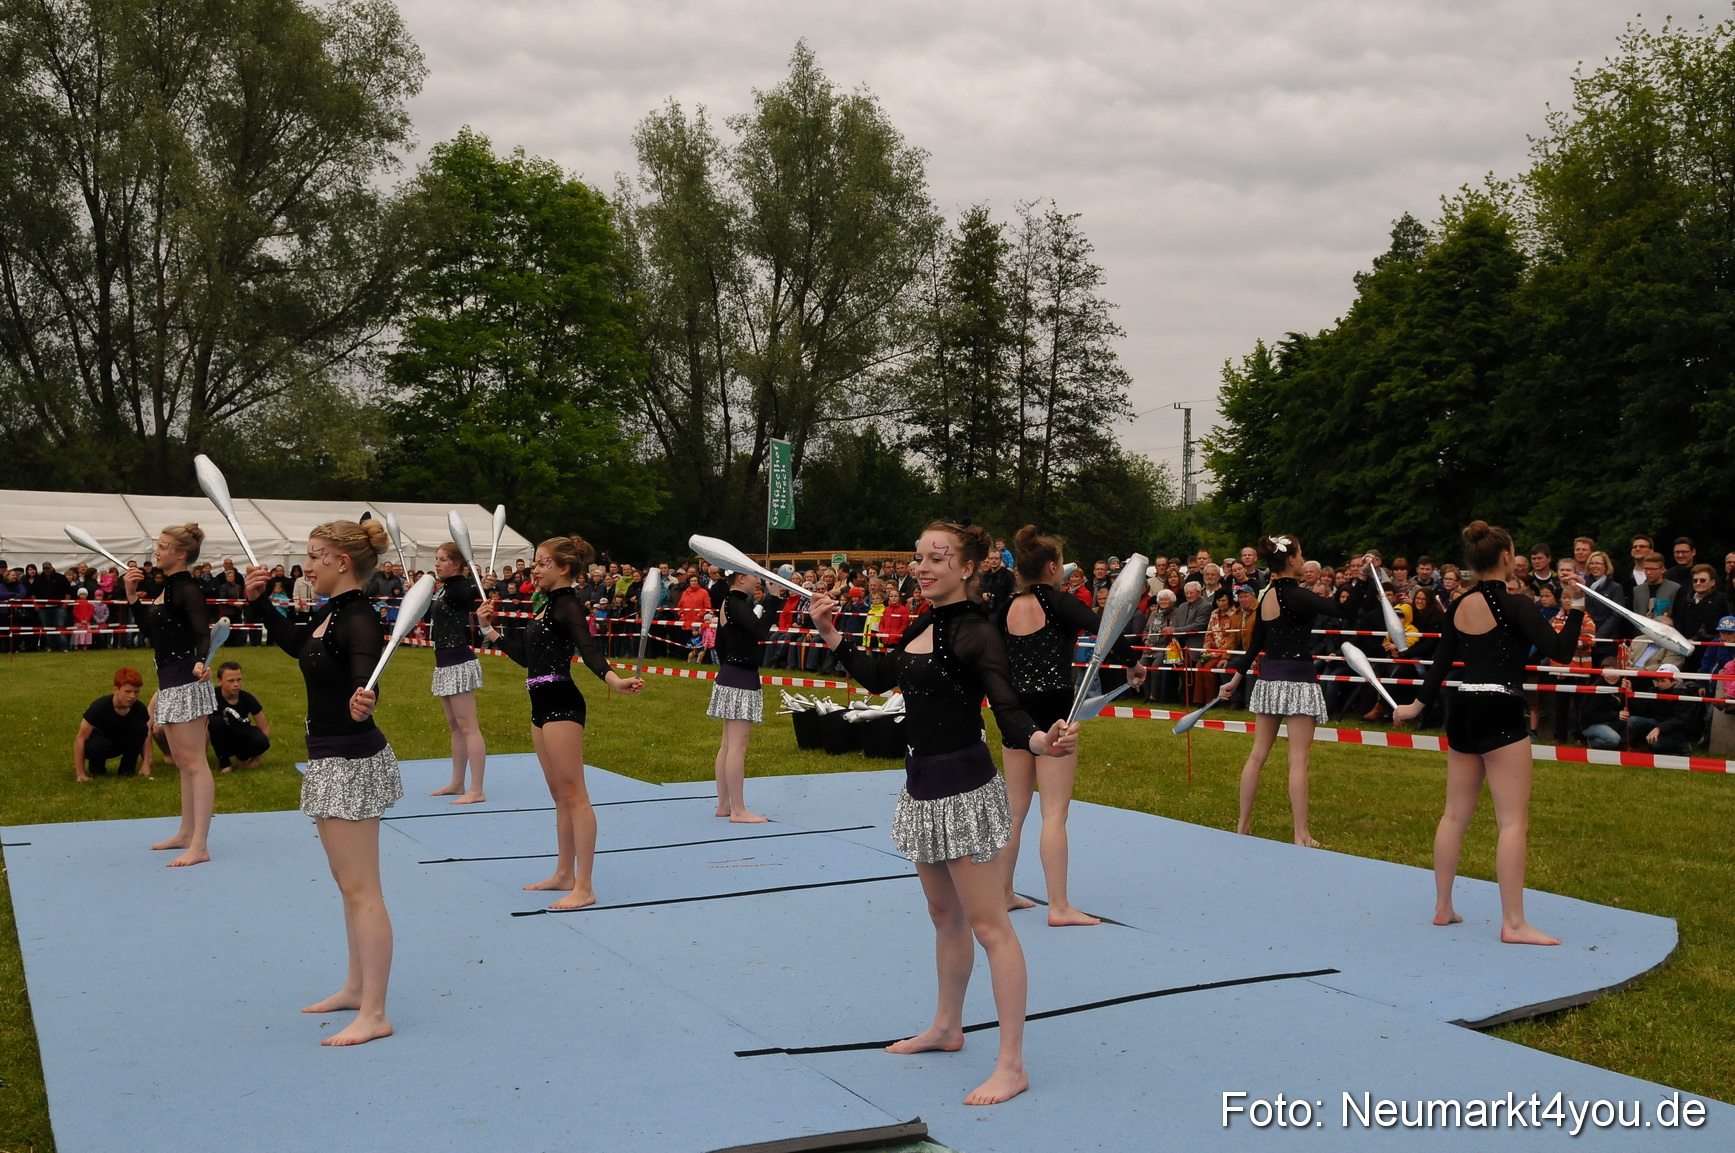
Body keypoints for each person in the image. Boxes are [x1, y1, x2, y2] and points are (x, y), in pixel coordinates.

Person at [810, 521, 1075, 1107]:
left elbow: (1006, 708)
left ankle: (1012, 1065)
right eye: (919, 557)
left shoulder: (978, 631)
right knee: (943, 916)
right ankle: (948, 1027)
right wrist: (831, 633)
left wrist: (1038, 742)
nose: (924, 566)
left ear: (967, 566)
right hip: (922, 786)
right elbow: (884, 677)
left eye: (938, 557)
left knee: (990, 928)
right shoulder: (927, 621)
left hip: (963, 790)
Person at [245, 520, 402, 1045]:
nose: (306, 565)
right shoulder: (330, 612)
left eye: (315, 556)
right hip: (332, 758)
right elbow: (297, 645)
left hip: (351, 762)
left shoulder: (358, 617)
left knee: (363, 890)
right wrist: (261, 601)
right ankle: (357, 988)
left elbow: (365, 672)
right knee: (348, 887)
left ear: (342, 562)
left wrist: (365, 696)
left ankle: (375, 1013)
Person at [1392, 520, 1583, 946]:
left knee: (1454, 814)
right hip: (1500, 707)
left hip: (1463, 708)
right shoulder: (1517, 606)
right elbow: (1561, 653)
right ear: (1504, 560)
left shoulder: (1459, 605)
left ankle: (1443, 908)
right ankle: (1513, 923)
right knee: (1512, 820)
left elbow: (1440, 666)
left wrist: (1415, 707)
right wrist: (1577, 609)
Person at [475, 536, 645, 910]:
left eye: (542, 563)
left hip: (562, 706)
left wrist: (613, 679)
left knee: (574, 795)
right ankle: (564, 874)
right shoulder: (545, 606)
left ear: (564, 568)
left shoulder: (568, 606)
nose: (534, 569)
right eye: (535, 563)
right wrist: (490, 630)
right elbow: (526, 658)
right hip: (540, 704)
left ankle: (584, 886)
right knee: (558, 796)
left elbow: (588, 648)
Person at [994, 525, 1142, 926]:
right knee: (1054, 813)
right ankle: (1058, 907)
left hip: (1015, 717)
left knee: (1014, 811)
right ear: (1054, 567)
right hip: (1056, 717)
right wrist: (1132, 662)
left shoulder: (1003, 608)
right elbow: (1105, 627)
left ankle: (1003, 893)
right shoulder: (1058, 602)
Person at [1217, 535, 1374, 847]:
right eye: (1300, 554)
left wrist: (1235, 678)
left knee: (1257, 755)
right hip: (1298, 680)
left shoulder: (1266, 598)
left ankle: (1243, 824)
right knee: (1298, 759)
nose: (1303, 559)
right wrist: (1363, 581)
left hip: (1269, 680)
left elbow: (1256, 644)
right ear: (1290, 560)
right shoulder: (1297, 595)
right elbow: (1343, 611)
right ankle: (1301, 835)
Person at [124, 524, 216, 867]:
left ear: (180, 554)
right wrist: (132, 595)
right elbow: (151, 632)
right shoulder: (166, 589)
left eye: (163, 547)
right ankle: (185, 833)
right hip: (170, 679)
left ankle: (200, 844)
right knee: (181, 761)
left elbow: (202, 632)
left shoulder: (187, 588)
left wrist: (204, 663)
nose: (156, 551)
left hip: (186, 678)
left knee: (194, 762)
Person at [426, 543, 487, 805]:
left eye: (443, 559)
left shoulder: (459, 587)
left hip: (458, 662)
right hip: (444, 662)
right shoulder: (445, 588)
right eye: (437, 559)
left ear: (457, 564)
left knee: (468, 727)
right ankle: (458, 782)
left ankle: (477, 789)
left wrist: (479, 582)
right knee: (455, 727)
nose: (438, 563)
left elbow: (466, 595)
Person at [709, 570, 772, 823]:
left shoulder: (728, 602)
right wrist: (773, 601)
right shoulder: (735, 603)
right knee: (736, 747)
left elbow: (720, 644)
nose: (758, 580)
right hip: (740, 678)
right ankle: (738, 809)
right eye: (753, 576)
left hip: (730, 674)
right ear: (740, 579)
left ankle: (725, 804)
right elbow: (759, 631)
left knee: (727, 745)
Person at [74, 667, 153, 780]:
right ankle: (97, 768)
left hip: (123, 742)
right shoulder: (99, 707)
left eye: (136, 692)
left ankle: (127, 770)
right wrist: (80, 774)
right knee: (98, 747)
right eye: (127, 692)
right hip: (101, 742)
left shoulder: (139, 709)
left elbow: (145, 735)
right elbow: (80, 739)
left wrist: (146, 763)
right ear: (116, 689)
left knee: (140, 728)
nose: (132, 696)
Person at [208, 661, 271, 770]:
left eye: (239, 680)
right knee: (215, 722)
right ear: (220, 681)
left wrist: (256, 758)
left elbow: (265, 729)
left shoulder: (247, 698)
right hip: (222, 737)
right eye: (231, 681)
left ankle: (241, 757)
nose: (236, 684)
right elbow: (203, 726)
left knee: (263, 740)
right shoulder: (211, 697)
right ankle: (225, 763)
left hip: (242, 735)